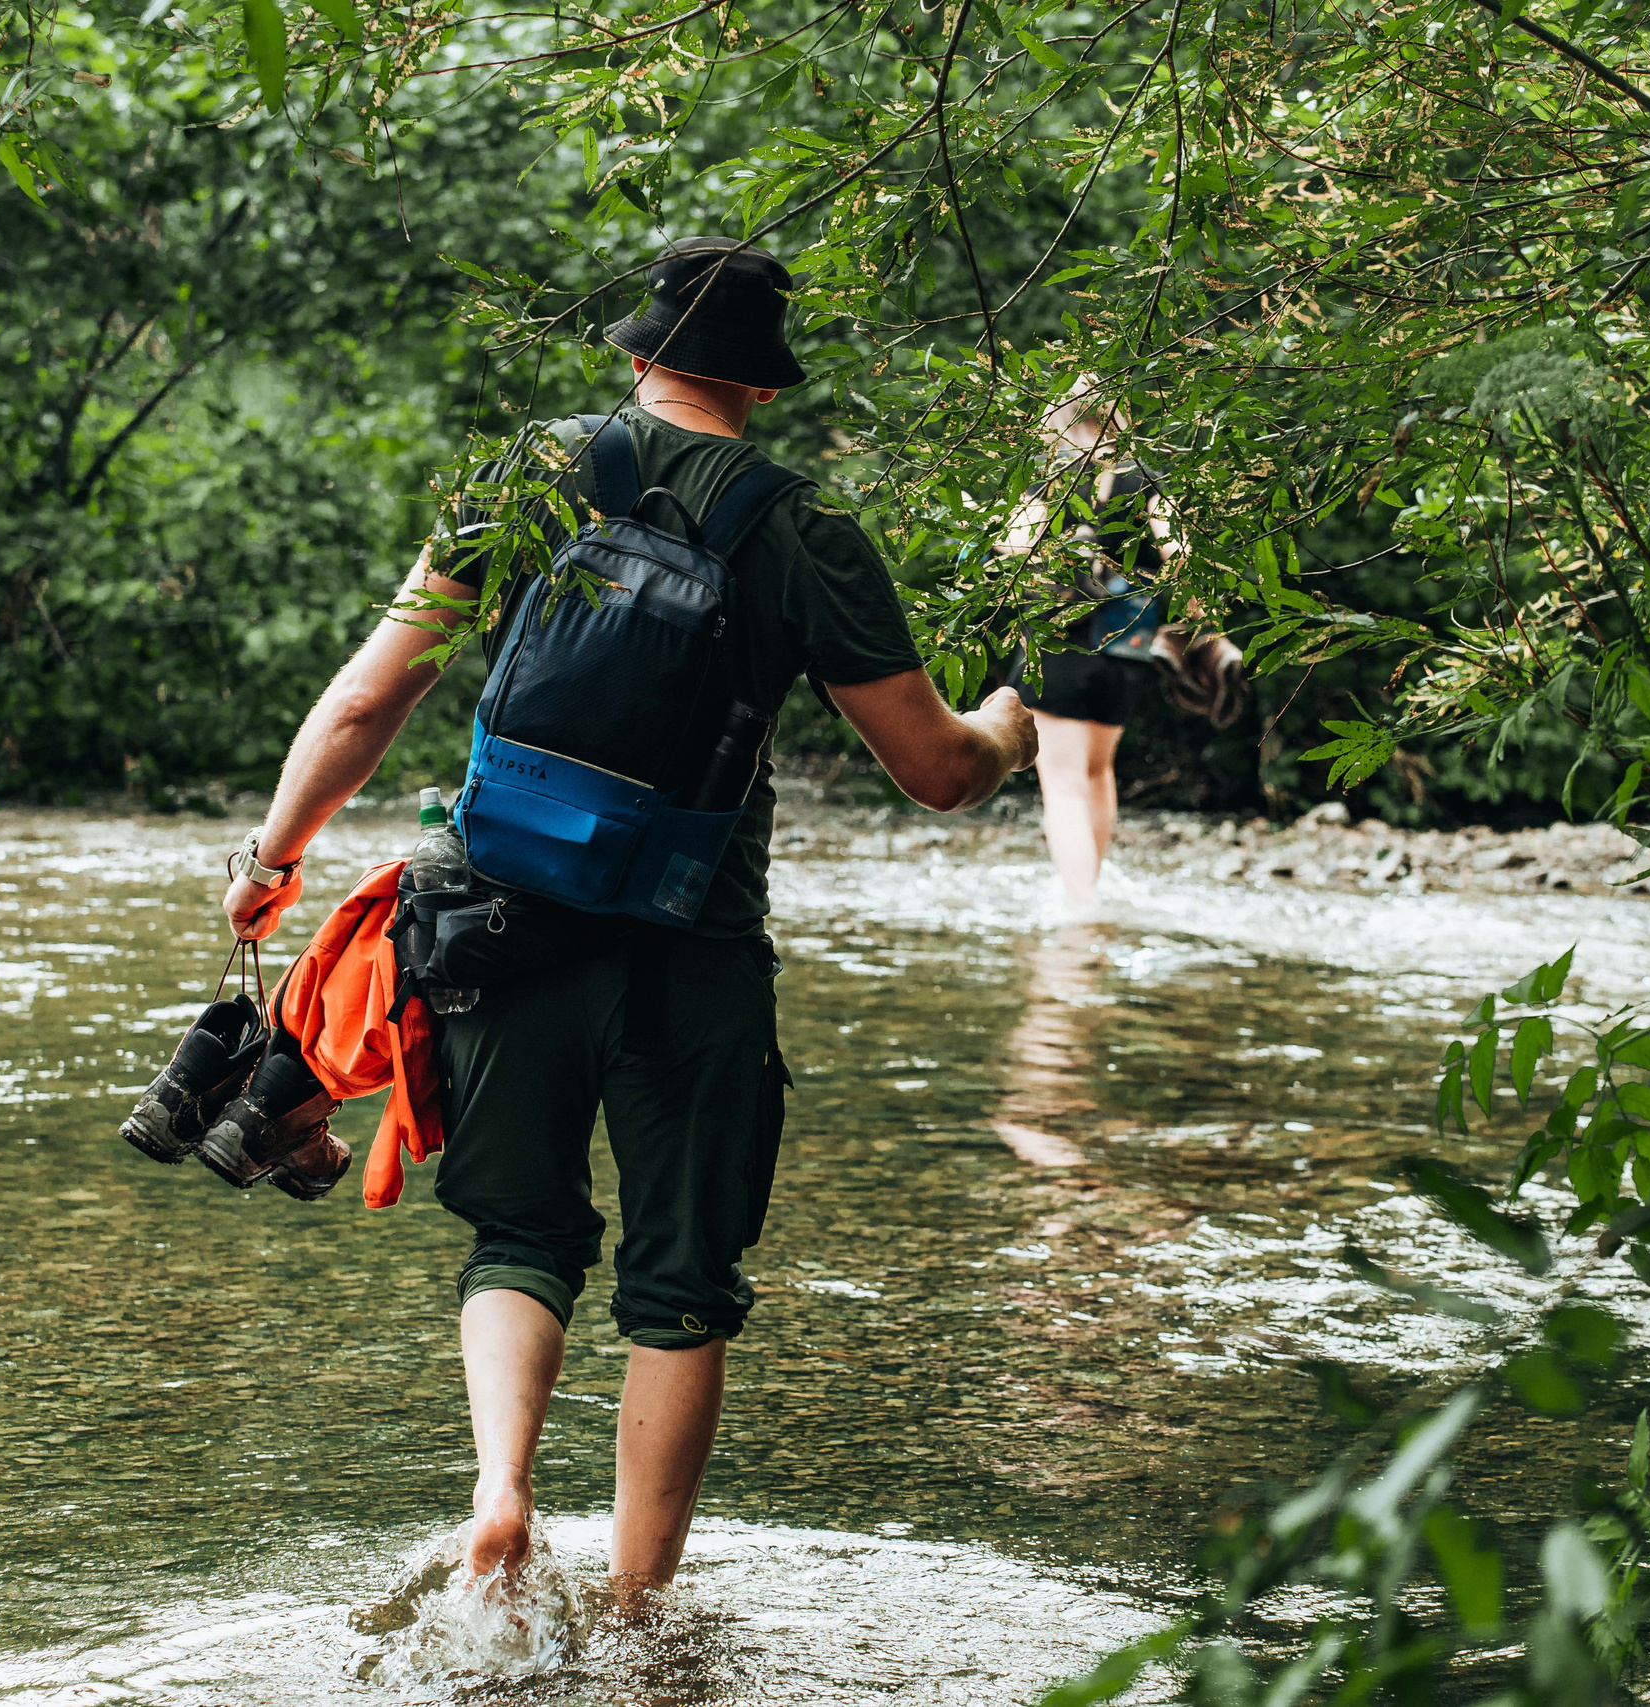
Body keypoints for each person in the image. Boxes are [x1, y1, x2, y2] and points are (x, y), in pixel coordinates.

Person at [217, 236, 1037, 1601]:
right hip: (694, 943)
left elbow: (372, 696)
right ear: (763, 388)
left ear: (640, 351)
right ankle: (639, 1610)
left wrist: (272, 855)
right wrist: (1012, 718)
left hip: (496, 922)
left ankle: (499, 1497)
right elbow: (940, 771)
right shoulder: (803, 531)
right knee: (681, 1279)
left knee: (520, 1232)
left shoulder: (522, 478)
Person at [1001, 382, 1245, 916]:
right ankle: (1091, 887)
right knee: (1097, 773)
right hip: (1130, 653)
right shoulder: (1146, 477)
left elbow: (1021, 546)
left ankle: (1079, 906)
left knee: (1062, 783)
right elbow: (1181, 556)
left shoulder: (1051, 478)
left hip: (1062, 651)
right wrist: (1202, 630)